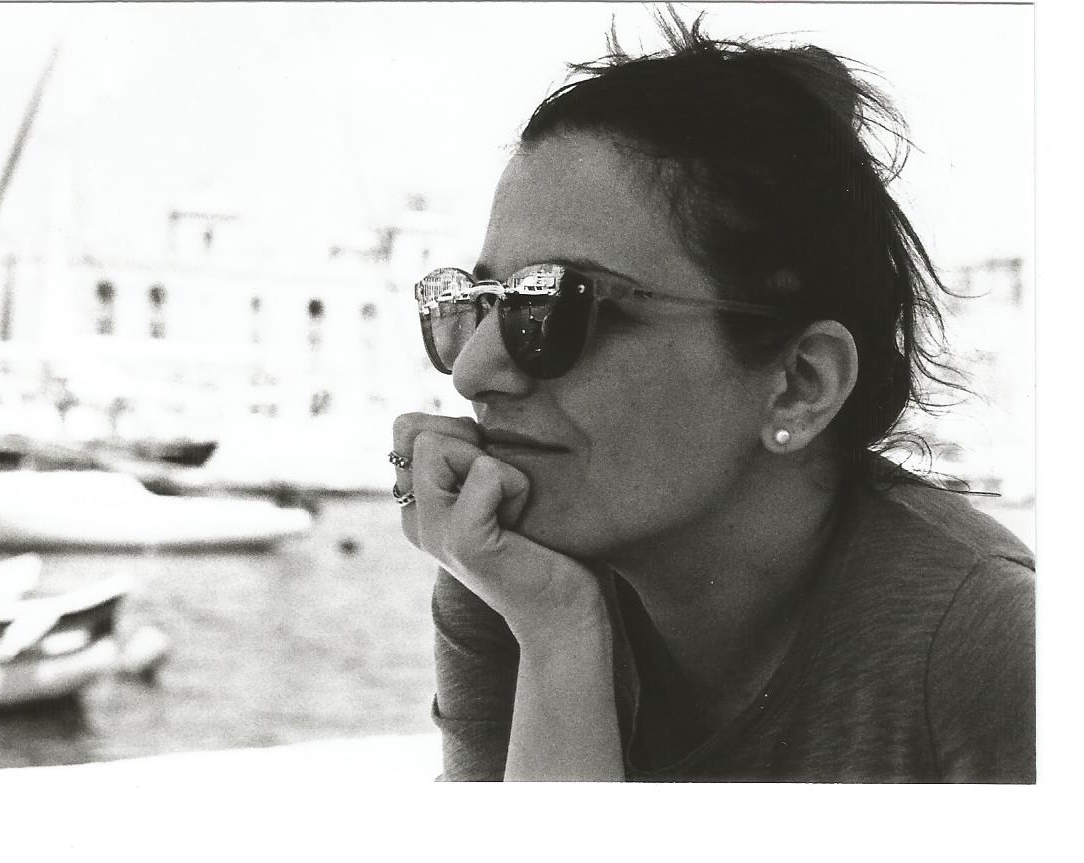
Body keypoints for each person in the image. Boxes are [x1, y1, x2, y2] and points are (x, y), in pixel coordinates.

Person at [390, 13, 1033, 783]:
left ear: (799, 385)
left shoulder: (985, 648)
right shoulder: (508, 579)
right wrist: (555, 631)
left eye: (555, 305)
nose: (471, 372)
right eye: (476, 304)